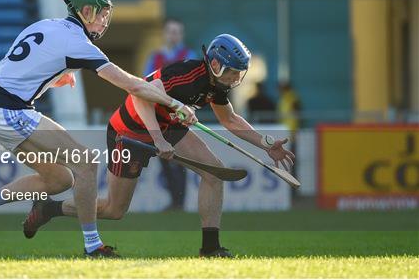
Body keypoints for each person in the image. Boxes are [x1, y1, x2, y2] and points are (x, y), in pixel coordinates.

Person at [0, 0, 197, 258]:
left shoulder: (47, 25)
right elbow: (132, 85)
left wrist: (58, 77)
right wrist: (174, 103)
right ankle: (93, 246)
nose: (105, 21)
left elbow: (23, 64)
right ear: (86, 11)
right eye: (102, 14)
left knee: (59, 179)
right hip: (11, 110)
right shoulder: (78, 44)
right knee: (85, 162)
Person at [22, 34, 295, 257]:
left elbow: (230, 120)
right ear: (215, 65)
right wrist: (157, 139)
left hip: (167, 127)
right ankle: (49, 209)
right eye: (232, 73)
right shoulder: (185, 74)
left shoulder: (218, 87)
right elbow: (141, 95)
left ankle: (210, 249)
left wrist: (265, 144)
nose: (236, 79)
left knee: (214, 173)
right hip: (128, 130)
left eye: (239, 74)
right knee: (114, 210)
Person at [144, 18, 197, 210]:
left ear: (181, 35)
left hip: (179, 116)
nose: (173, 35)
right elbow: (145, 84)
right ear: (165, 34)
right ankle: (175, 200)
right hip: (159, 116)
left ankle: (179, 201)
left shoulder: (189, 56)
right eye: (170, 31)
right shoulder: (155, 57)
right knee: (164, 158)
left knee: (182, 158)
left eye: (177, 32)